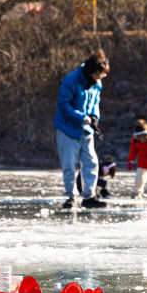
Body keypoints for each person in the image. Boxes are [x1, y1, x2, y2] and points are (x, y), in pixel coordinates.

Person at [53, 50, 110, 209]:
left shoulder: (97, 83)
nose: (101, 78)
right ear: (92, 72)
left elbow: (95, 104)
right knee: (69, 165)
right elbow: (63, 105)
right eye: (100, 74)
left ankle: (89, 196)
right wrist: (81, 117)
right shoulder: (71, 79)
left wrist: (94, 117)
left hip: (86, 130)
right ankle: (70, 197)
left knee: (91, 162)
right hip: (67, 128)